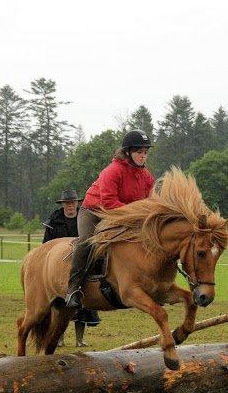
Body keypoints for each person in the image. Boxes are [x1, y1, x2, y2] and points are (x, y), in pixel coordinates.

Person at [65, 129, 155, 308]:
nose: (143, 156)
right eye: (139, 152)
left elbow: (150, 202)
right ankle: (73, 288)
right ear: (128, 152)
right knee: (86, 241)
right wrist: (136, 212)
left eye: (145, 152)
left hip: (125, 214)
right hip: (94, 211)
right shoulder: (112, 171)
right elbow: (108, 203)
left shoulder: (146, 176)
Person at [43, 189, 100, 346]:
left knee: (83, 301)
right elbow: (46, 245)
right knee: (59, 303)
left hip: (81, 265)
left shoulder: (85, 220)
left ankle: (79, 340)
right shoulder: (54, 222)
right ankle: (59, 338)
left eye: (73, 202)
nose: (70, 205)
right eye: (67, 203)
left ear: (76, 203)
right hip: (58, 266)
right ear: (62, 205)